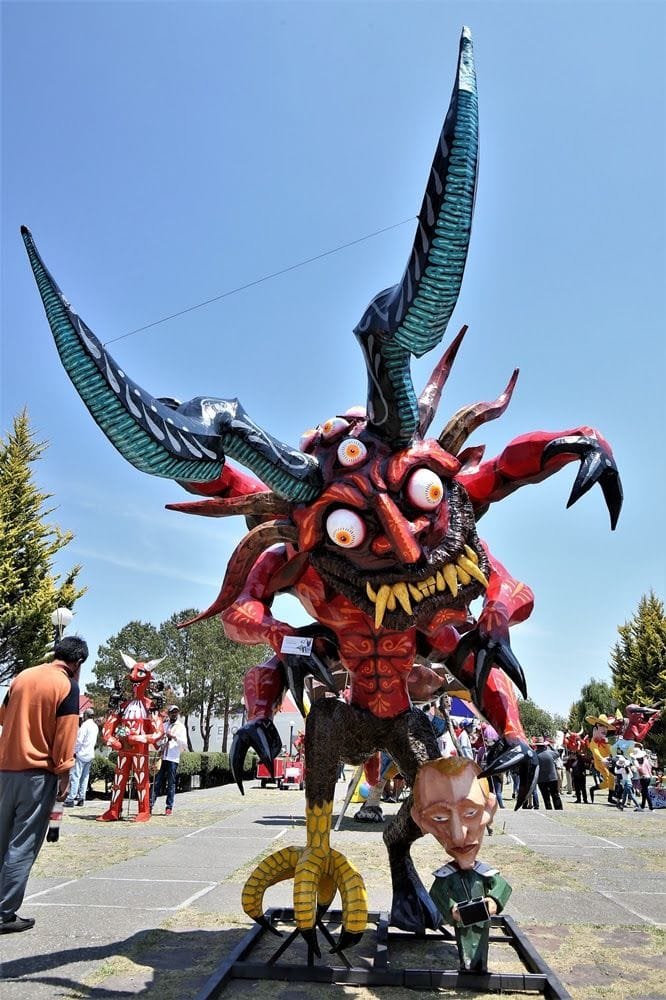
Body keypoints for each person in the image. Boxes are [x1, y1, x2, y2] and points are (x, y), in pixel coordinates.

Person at [0, 635, 88, 933]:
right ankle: (4, 912)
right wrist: (65, 775)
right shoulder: (67, 686)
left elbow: (4, 715)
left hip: (5, 769)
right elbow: (65, 735)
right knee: (22, 844)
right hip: (37, 774)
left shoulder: (21, 677)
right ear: (77, 663)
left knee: (1, 838)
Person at [410, 757, 512, 973]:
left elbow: (502, 886)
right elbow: (437, 893)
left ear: (490, 809)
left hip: (482, 919)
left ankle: (478, 965)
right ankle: (468, 964)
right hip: (463, 919)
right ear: (420, 821)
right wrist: (451, 909)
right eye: (438, 817)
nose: (458, 836)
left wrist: (494, 900)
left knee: (479, 943)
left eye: (470, 813)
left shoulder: (485, 873)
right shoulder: (446, 877)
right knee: (466, 941)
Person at [150, 705, 187, 816]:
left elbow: (184, 744)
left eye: (176, 712)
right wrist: (161, 739)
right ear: (169, 714)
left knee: (171, 783)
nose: (174, 714)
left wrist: (174, 737)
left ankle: (169, 807)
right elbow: (157, 742)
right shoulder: (164, 725)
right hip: (163, 757)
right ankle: (150, 805)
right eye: (172, 712)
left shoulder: (181, 727)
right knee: (157, 782)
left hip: (172, 758)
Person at [64, 709, 99, 807]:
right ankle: (81, 797)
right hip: (90, 753)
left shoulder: (85, 726)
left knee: (76, 776)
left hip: (81, 754)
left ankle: (71, 798)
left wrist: (74, 751)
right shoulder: (95, 726)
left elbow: (79, 740)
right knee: (85, 777)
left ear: (86, 716)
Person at [536, 739, 563, 810]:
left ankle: (549, 809)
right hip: (552, 778)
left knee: (546, 797)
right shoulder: (550, 753)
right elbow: (558, 753)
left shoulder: (535, 754)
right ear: (544, 746)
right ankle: (559, 809)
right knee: (555, 795)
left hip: (541, 779)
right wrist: (550, 746)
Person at [632, 746, 654, 811]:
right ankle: (642, 806)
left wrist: (635, 766)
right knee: (644, 792)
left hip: (643, 778)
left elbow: (639, 769)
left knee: (645, 793)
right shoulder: (646, 760)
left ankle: (651, 807)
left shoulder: (638, 762)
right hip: (648, 777)